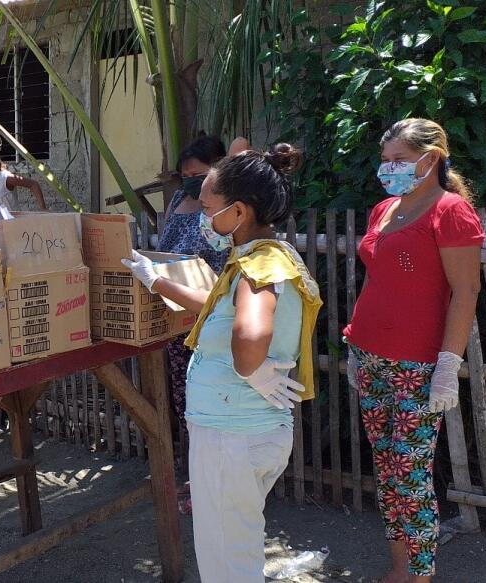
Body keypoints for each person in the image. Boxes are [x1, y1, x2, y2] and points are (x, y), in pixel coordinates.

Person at [123, 145, 322, 582]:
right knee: (238, 545)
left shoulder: (258, 264)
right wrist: (156, 280)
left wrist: (254, 366)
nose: (202, 218)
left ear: (239, 211)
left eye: (209, 208)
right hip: (245, 430)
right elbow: (218, 306)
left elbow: (249, 334)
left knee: (225, 561)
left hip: (232, 437)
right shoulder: (267, 256)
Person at [344, 118, 483, 583]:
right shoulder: (383, 209)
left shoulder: (452, 212)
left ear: (432, 158)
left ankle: (420, 576)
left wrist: (448, 365)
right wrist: (353, 339)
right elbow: (378, 277)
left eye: (399, 160)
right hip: (370, 354)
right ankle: (400, 568)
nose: (389, 169)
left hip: (416, 364)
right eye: (386, 161)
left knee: (410, 474)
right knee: (386, 468)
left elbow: (466, 292)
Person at [155, 134, 229, 514]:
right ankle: (198, 477)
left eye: (197, 174)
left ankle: (214, 484)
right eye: (184, 175)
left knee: (213, 405)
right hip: (176, 319)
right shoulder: (177, 201)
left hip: (212, 317)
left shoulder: (223, 208)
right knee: (188, 408)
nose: (189, 182)